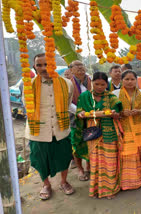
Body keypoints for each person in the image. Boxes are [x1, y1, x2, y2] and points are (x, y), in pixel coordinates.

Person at [25, 53, 74, 200]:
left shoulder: (67, 83)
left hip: (61, 128)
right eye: (39, 65)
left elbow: (67, 104)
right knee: (40, 160)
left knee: (64, 157)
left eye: (46, 64)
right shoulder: (29, 85)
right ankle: (46, 185)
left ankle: (64, 182)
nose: (43, 68)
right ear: (34, 67)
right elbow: (27, 107)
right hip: (38, 131)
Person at [73, 72, 123, 199]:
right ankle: (96, 189)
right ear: (92, 83)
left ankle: (110, 190)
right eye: (96, 84)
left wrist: (114, 114)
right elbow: (79, 111)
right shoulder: (85, 96)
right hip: (92, 132)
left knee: (109, 161)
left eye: (103, 84)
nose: (100, 87)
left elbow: (118, 113)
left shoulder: (111, 97)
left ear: (107, 84)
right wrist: (81, 114)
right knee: (95, 161)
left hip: (109, 133)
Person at [113, 70, 141, 190]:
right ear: (122, 80)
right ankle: (125, 182)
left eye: (132, 79)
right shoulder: (115, 94)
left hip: (140, 128)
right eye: (127, 79)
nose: (129, 82)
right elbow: (111, 112)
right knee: (126, 153)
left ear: (136, 80)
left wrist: (139, 111)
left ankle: (140, 179)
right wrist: (121, 113)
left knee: (140, 153)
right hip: (123, 129)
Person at [69, 60, 92, 181]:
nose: (80, 67)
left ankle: (88, 166)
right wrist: (79, 112)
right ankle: (80, 169)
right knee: (76, 145)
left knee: (90, 142)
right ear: (71, 70)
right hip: (75, 119)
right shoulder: (68, 83)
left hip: (92, 118)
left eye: (81, 65)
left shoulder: (91, 81)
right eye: (76, 65)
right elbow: (66, 103)